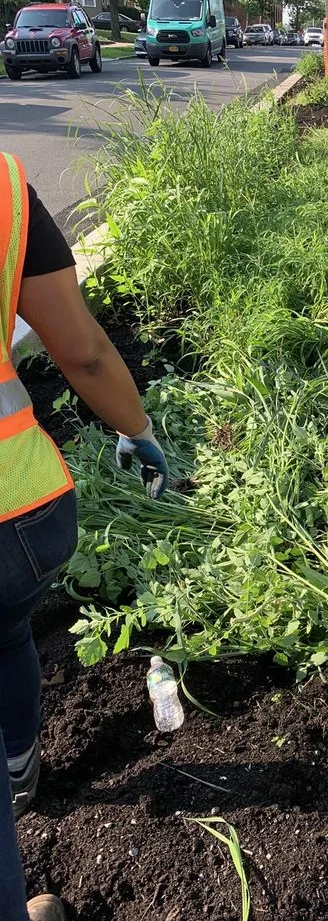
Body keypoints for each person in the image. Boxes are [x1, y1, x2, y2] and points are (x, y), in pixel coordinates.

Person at [0, 152, 169, 921]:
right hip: (24, 519)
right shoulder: (5, 187)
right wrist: (138, 430)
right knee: (6, 631)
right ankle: (18, 770)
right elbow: (82, 349)